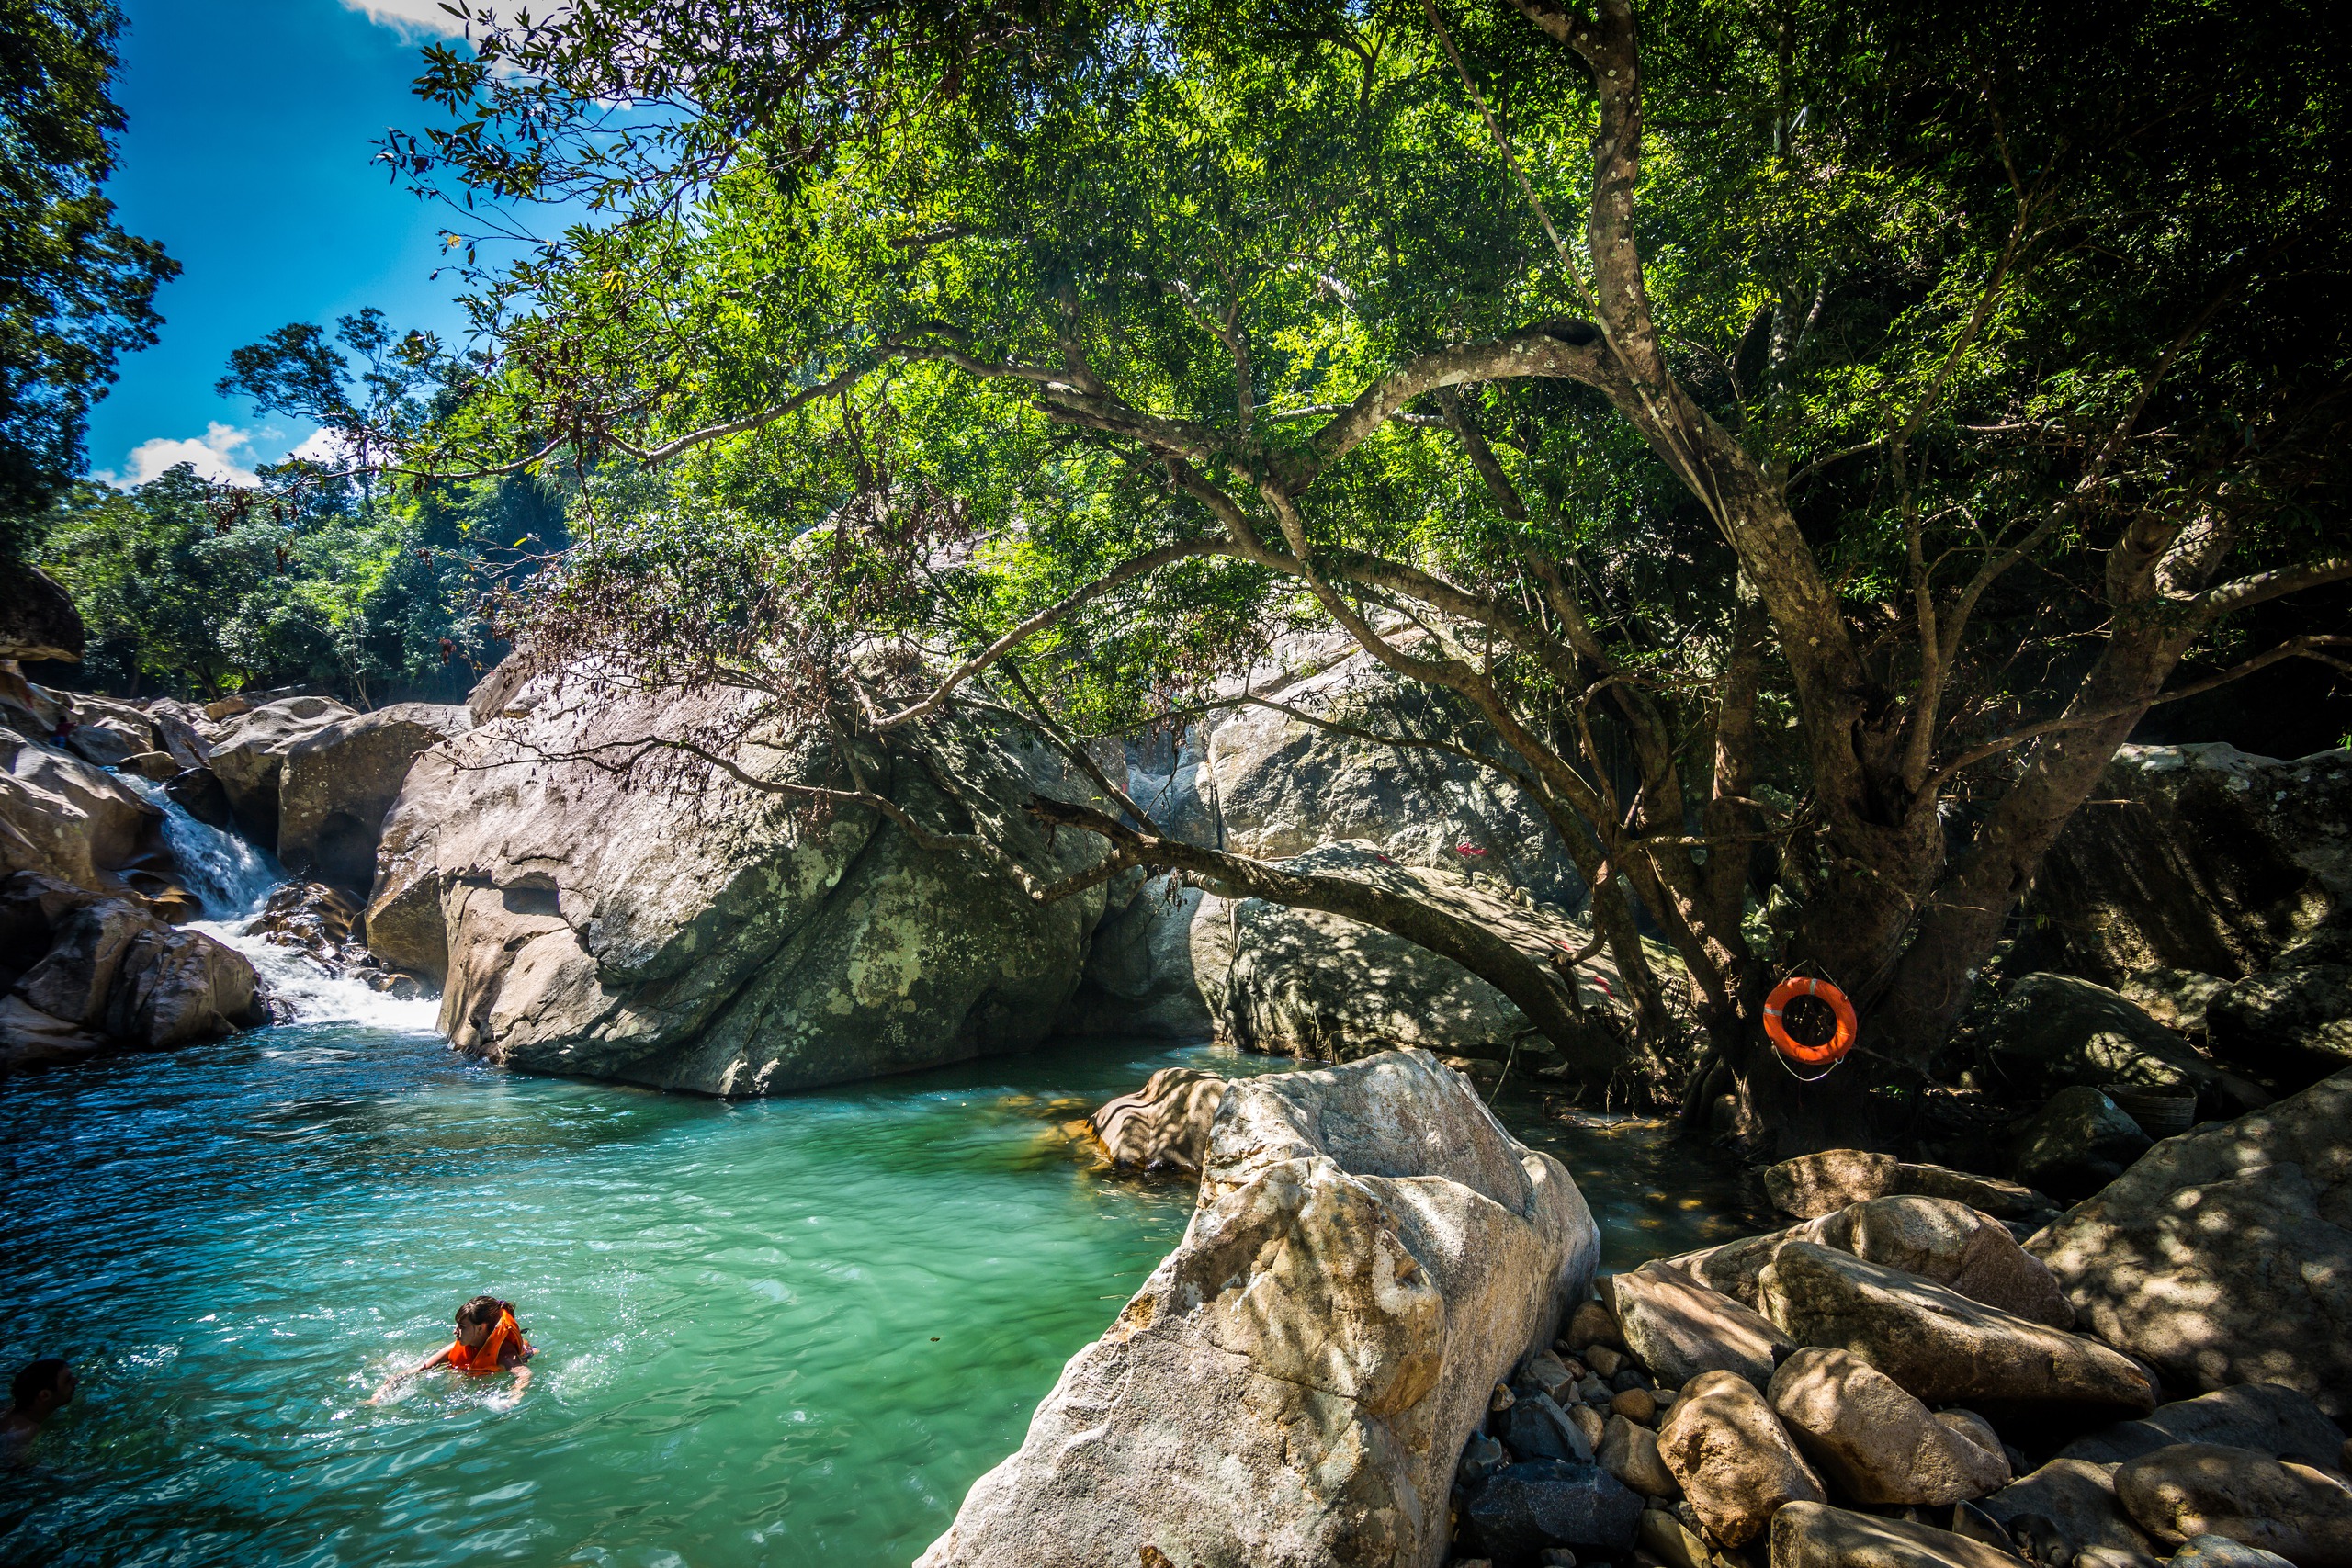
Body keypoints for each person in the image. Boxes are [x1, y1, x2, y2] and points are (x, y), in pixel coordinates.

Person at [369, 1295, 533, 1404]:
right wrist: (378, 1396)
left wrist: (513, 1397)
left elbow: (524, 1374)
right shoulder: (454, 1348)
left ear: (481, 1328)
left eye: (461, 1327)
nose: (455, 1331)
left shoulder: (504, 1354)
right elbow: (418, 1369)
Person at [4, 1359, 75, 1459]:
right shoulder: (26, 1431)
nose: (76, 1381)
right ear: (45, 1395)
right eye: (68, 1380)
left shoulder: (7, 1411)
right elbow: (14, 1467)